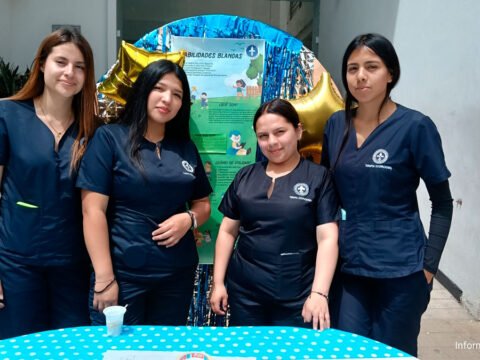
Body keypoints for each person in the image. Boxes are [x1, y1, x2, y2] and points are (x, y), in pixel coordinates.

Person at [321, 33, 453, 356]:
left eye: (371, 66)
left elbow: (443, 203)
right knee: (347, 350)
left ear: (390, 73)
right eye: (352, 68)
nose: (360, 76)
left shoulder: (415, 127)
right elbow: (327, 193)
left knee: (394, 352)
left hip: (403, 269)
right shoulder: (336, 125)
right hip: (350, 267)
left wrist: (429, 266)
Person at [76, 59, 212, 325]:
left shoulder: (184, 148)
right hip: (124, 275)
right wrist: (104, 279)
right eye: (159, 89)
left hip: (176, 275)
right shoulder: (110, 138)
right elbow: (92, 211)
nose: (167, 99)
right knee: (118, 352)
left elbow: (203, 204)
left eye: (177, 95)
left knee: (166, 351)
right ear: (143, 91)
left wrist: (189, 219)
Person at [0, 27, 99, 339]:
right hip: (17, 263)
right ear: (41, 64)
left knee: (72, 349)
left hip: (73, 267)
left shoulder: (94, 130)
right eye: (61, 62)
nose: (70, 72)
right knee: (20, 348)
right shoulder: (8, 114)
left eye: (80, 66)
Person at [210, 98, 339, 330]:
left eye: (280, 132)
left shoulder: (318, 177)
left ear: (298, 131)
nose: (272, 142)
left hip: (298, 296)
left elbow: (328, 238)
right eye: (263, 136)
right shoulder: (245, 176)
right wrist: (218, 282)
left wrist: (319, 293)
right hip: (246, 294)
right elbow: (228, 232)